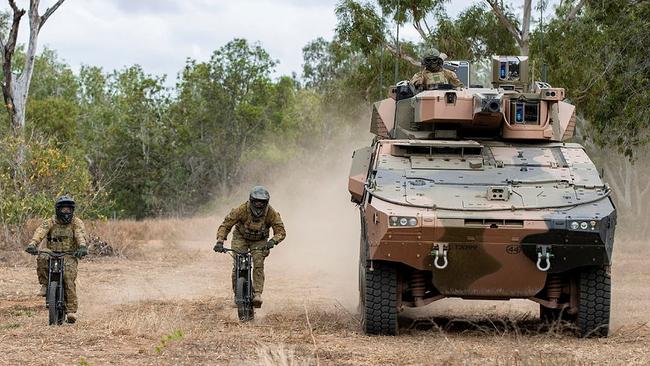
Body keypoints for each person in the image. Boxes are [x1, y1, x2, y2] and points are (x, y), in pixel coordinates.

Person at [214, 186, 286, 308]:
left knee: (258, 263)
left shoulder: (271, 213)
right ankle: (238, 295)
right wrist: (220, 241)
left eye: (262, 202)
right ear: (251, 201)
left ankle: (257, 294)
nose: (259, 205)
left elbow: (281, 232)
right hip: (240, 238)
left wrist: (273, 241)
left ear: (266, 203)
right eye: (256, 201)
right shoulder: (241, 210)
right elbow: (226, 225)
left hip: (259, 241)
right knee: (238, 264)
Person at [25, 195, 88, 324]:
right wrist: (33, 244)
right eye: (63, 210)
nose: (66, 213)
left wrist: (82, 247)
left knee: (68, 278)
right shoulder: (50, 221)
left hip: (70, 254)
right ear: (58, 210)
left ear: (72, 210)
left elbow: (80, 235)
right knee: (42, 256)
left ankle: (71, 310)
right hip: (52, 252)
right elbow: (40, 232)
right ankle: (44, 284)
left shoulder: (76, 222)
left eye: (68, 210)